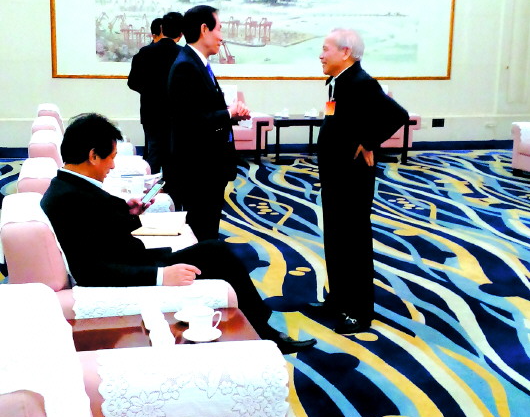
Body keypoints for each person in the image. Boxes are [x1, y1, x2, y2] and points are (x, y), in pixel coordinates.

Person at [41, 113, 316, 354]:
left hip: (133, 259)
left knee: (215, 250)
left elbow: (102, 229)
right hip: (134, 272)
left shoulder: (70, 187)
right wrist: (162, 276)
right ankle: (264, 331)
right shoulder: (69, 199)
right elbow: (90, 270)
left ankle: (260, 323)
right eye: (111, 158)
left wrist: (129, 212)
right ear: (93, 156)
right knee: (217, 253)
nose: (112, 166)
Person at [308, 28, 408, 335]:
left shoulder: (361, 82)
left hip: (352, 180)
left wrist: (368, 142)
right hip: (336, 176)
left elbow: (397, 115)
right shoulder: (338, 82)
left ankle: (359, 312)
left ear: (345, 52)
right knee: (336, 240)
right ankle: (338, 300)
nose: (321, 55)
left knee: (354, 245)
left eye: (326, 49)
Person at [166, 5, 249, 241]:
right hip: (199, 168)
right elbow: (191, 121)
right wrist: (228, 113)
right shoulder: (186, 66)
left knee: (207, 225)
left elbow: (202, 110)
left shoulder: (197, 63)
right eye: (219, 29)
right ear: (204, 29)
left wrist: (230, 114)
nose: (222, 37)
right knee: (202, 228)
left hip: (208, 165)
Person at [127, 12, 183, 174]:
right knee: (175, 156)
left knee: (153, 155)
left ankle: (151, 187)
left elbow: (132, 82)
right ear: (181, 34)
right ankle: (172, 187)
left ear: (162, 29)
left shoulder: (144, 52)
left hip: (151, 111)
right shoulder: (184, 55)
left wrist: (150, 92)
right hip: (176, 114)